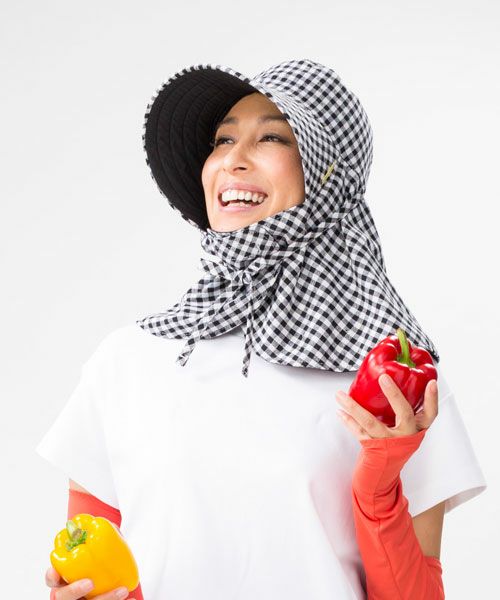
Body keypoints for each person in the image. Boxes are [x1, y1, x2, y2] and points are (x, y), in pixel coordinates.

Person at [38, 59, 487, 599]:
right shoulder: (128, 360)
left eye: (272, 136)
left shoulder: (395, 381)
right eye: (222, 140)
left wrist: (380, 484)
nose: (232, 159)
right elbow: (97, 574)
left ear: (327, 172)